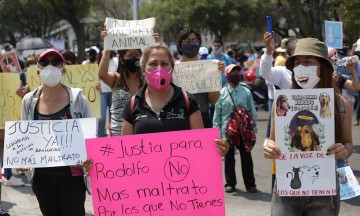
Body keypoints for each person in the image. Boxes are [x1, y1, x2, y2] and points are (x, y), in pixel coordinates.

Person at [263, 38, 353, 215]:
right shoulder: (282, 102)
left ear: (323, 67)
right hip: (286, 191)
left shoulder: (340, 104)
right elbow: (272, 139)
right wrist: (269, 146)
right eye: (296, 62)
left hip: (324, 192)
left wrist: (345, 150)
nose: (300, 67)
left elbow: (349, 143)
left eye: (308, 62)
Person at [117, 42, 228, 157]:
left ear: (172, 68)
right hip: (145, 173)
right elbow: (124, 153)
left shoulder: (188, 101)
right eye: (153, 63)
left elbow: (201, 146)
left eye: (164, 64)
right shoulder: (132, 104)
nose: (159, 68)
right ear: (143, 69)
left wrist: (218, 149)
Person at [21, 48, 92, 216]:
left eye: (55, 63)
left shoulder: (79, 99)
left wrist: (88, 157)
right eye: (45, 63)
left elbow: (90, 138)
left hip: (72, 177)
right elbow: (25, 135)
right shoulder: (29, 101)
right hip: (42, 177)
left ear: (63, 69)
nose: (50, 67)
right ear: (37, 71)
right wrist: (23, 157)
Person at [213, 64, 258, 193]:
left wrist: (254, 130)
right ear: (227, 76)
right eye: (232, 73)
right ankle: (230, 183)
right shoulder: (221, 93)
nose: (235, 75)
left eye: (237, 72)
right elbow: (217, 115)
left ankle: (250, 184)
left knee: (247, 157)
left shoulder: (246, 92)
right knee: (228, 158)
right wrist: (217, 134)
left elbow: (252, 111)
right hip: (227, 131)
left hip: (244, 131)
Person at [98, 29, 149, 136]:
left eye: (137, 55)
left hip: (141, 135)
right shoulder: (116, 79)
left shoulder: (147, 80)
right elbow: (102, 74)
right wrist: (107, 47)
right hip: (117, 135)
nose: (134, 58)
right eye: (130, 55)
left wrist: (156, 43)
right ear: (121, 59)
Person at [176, 28, 222, 128]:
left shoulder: (208, 67)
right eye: (187, 41)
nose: (191, 43)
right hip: (179, 120)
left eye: (194, 41)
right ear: (180, 46)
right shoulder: (173, 69)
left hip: (203, 118)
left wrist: (216, 77)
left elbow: (213, 100)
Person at [97, 50, 118, 137]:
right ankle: (101, 136)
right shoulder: (98, 63)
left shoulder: (116, 61)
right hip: (102, 92)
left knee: (113, 117)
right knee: (101, 118)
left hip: (114, 92)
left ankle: (112, 136)